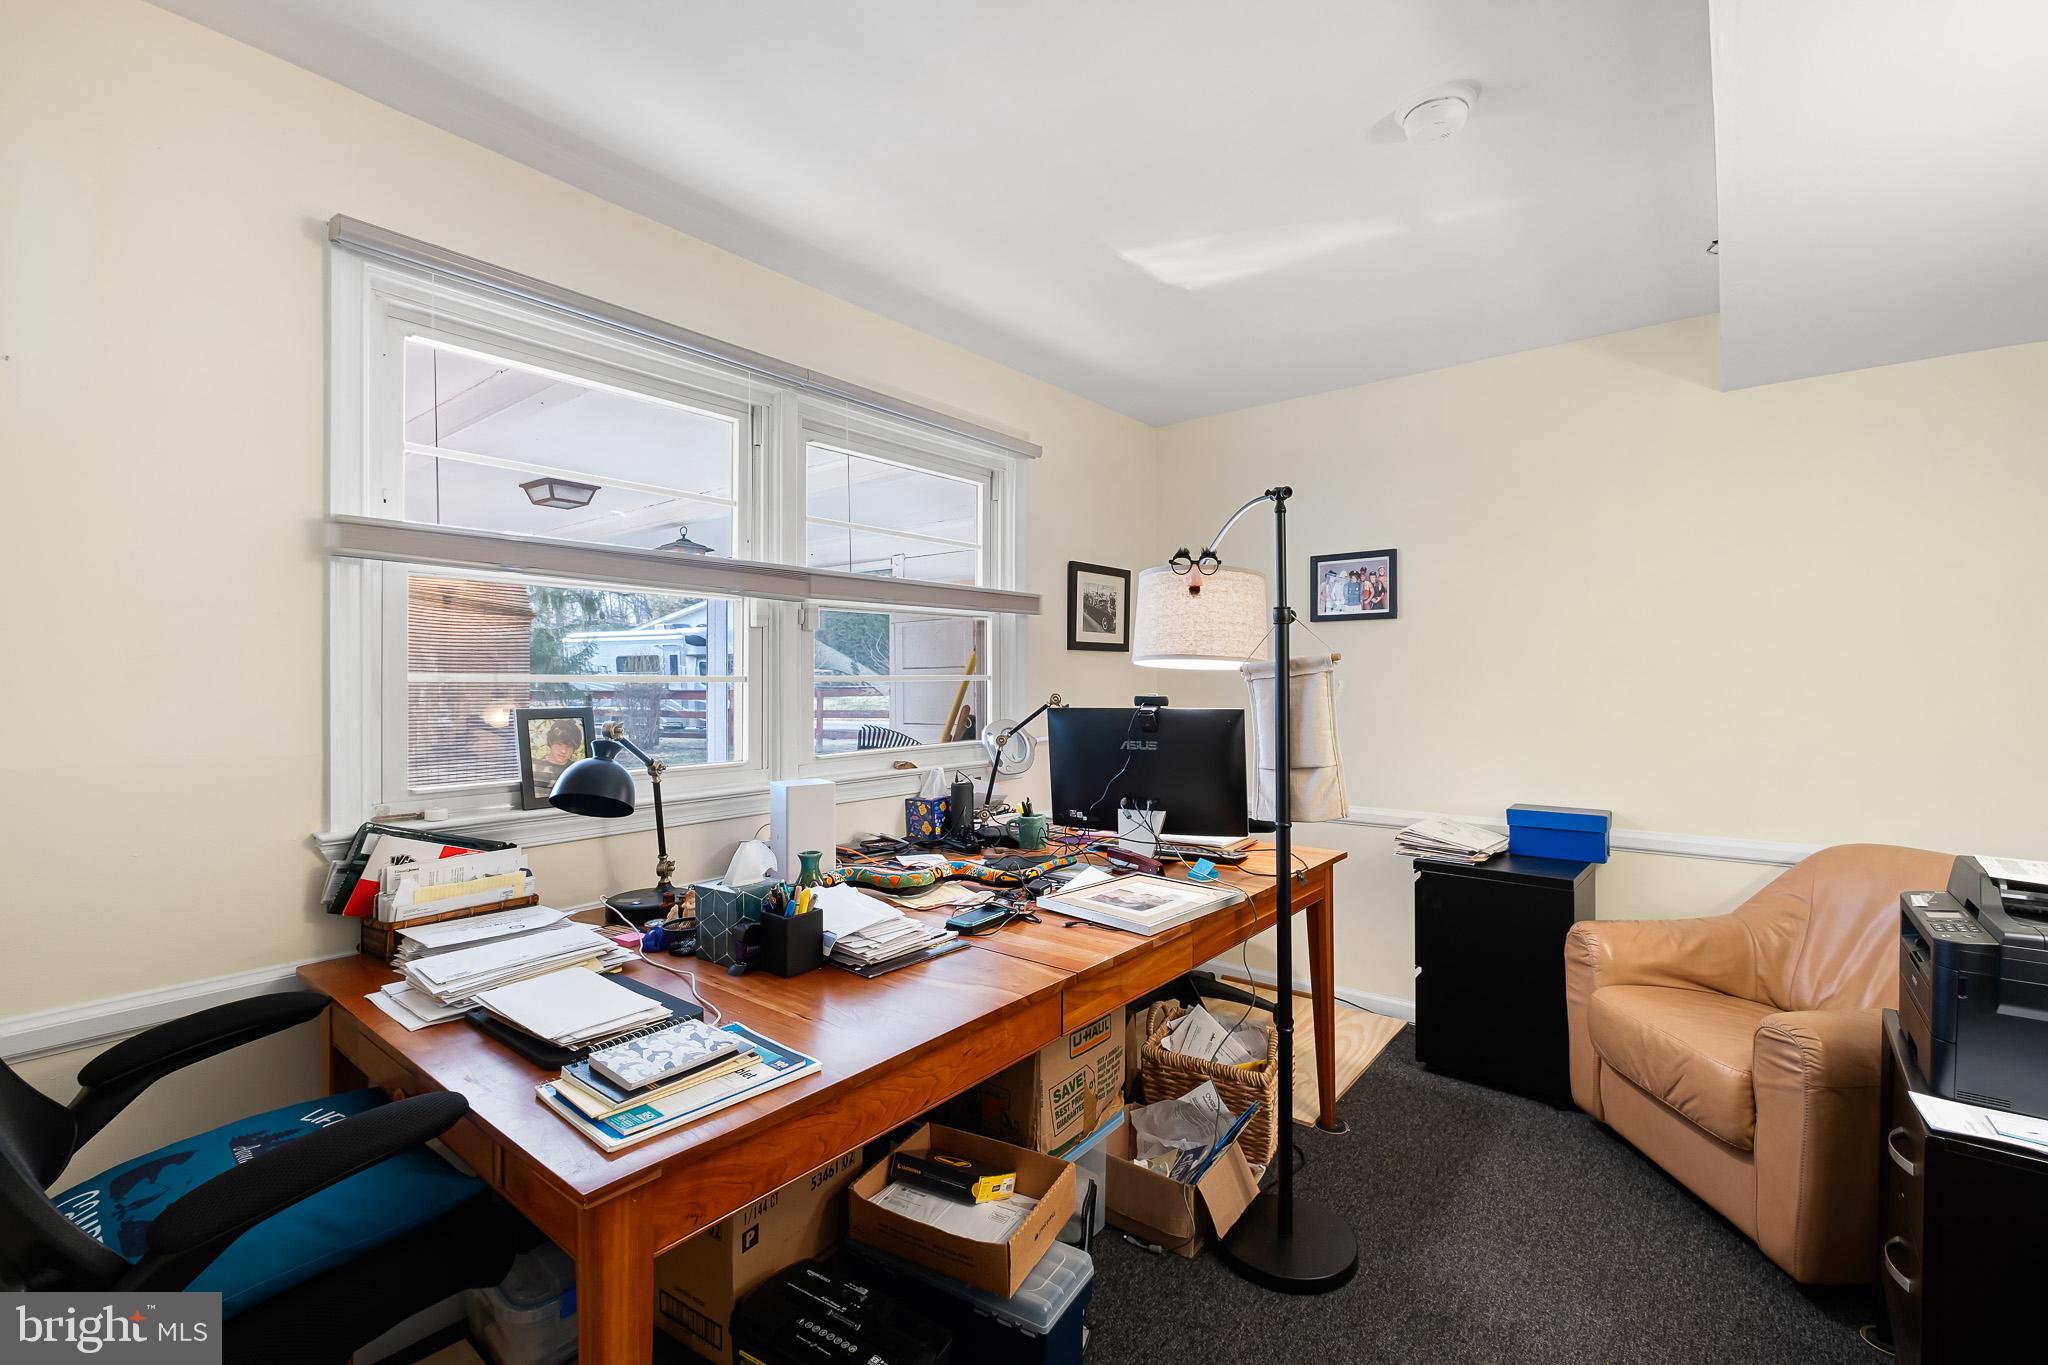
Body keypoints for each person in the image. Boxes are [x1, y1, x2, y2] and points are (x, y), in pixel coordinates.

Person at [531, 720, 584, 797]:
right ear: (550, 742)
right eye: (559, 744)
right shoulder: (534, 767)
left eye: (569, 746)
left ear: (574, 748)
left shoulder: (577, 770)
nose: (563, 751)